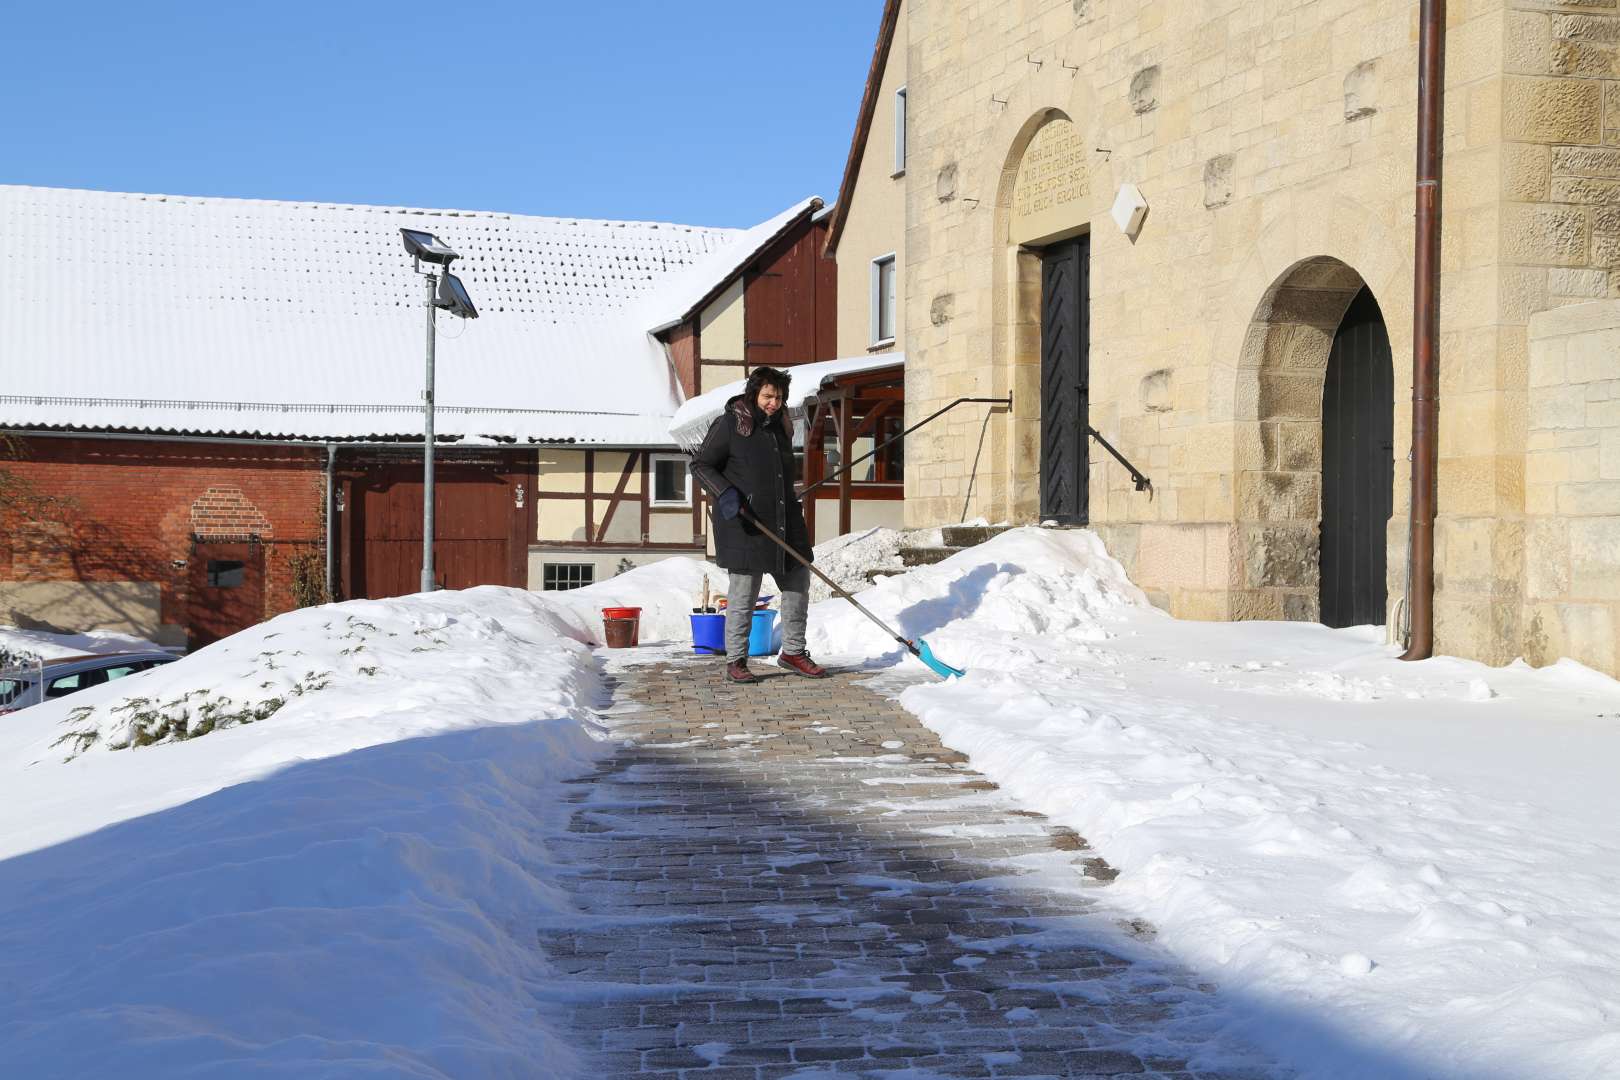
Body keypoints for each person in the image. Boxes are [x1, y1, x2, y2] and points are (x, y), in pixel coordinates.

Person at [690, 366, 828, 684]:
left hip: (784, 519)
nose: (774, 403)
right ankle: (737, 659)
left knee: (797, 581)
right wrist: (726, 492)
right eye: (768, 396)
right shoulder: (730, 423)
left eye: (779, 397)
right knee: (744, 594)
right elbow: (700, 464)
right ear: (754, 393)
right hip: (744, 522)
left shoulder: (780, 426)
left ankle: (793, 652)